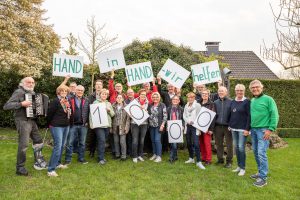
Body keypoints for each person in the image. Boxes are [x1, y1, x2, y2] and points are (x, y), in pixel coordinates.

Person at [3, 77, 47, 176]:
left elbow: (35, 107)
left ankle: (38, 161)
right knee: (24, 145)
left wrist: (40, 112)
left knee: (38, 141)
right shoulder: (19, 92)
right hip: (22, 121)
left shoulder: (32, 93)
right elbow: (7, 105)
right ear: (23, 83)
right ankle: (20, 168)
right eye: (28, 82)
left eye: (32, 82)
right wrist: (21, 103)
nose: (31, 84)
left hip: (31, 121)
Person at [249, 80, 279, 187]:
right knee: (256, 152)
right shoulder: (252, 100)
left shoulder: (268, 99)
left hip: (263, 130)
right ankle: (259, 172)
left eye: (257, 87)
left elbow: (274, 115)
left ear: (262, 88)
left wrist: (270, 129)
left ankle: (263, 178)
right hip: (253, 130)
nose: (255, 89)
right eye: (253, 88)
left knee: (261, 153)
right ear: (250, 90)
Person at [47, 84, 72, 177]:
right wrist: (50, 124)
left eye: (66, 91)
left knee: (62, 145)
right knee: (58, 146)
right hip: (56, 126)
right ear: (59, 92)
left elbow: (68, 114)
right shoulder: (55, 101)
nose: (64, 93)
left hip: (66, 126)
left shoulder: (66, 101)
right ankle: (50, 169)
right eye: (62, 91)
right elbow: (49, 114)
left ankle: (57, 163)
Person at [229, 84, 251, 176]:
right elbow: (231, 114)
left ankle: (243, 168)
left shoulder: (247, 101)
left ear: (244, 91)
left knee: (241, 148)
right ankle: (238, 166)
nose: (239, 92)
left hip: (243, 129)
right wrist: (230, 125)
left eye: (241, 90)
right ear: (235, 91)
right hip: (234, 128)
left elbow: (250, 116)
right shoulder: (233, 101)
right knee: (236, 147)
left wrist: (247, 129)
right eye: (237, 90)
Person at [65, 85, 90, 165]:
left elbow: (89, 112)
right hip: (72, 124)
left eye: (81, 90)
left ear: (83, 91)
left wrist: (87, 122)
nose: (80, 92)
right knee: (70, 143)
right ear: (75, 90)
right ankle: (68, 159)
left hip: (83, 125)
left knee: (82, 143)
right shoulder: (69, 99)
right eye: (78, 90)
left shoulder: (86, 100)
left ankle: (81, 158)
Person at [90, 89, 115, 165]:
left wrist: (109, 111)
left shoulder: (109, 104)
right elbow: (91, 114)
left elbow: (113, 114)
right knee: (101, 140)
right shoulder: (95, 102)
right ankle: (100, 158)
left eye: (105, 94)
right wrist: (92, 124)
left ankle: (101, 156)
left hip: (107, 125)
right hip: (98, 125)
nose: (104, 95)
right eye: (102, 94)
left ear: (107, 96)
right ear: (100, 95)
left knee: (103, 141)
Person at [183, 92, 205, 169]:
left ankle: (199, 161)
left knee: (196, 144)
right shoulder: (186, 105)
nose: (190, 99)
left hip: (195, 127)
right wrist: (188, 121)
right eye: (189, 97)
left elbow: (199, 116)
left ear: (194, 98)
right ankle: (191, 158)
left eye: (192, 97)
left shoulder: (197, 105)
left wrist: (197, 127)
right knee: (188, 143)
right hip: (188, 126)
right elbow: (184, 115)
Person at [214, 86, 233, 168]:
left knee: (229, 145)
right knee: (218, 144)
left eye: (222, 91)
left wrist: (231, 125)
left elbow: (234, 115)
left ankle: (229, 161)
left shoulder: (231, 102)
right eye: (219, 91)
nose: (220, 92)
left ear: (226, 92)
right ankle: (220, 159)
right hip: (217, 126)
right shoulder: (215, 102)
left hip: (228, 127)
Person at [148, 92, 167, 163]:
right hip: (151, 126)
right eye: (153, 97)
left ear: (159, 98)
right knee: (153, 140)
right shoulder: (150, 105)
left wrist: (162, 125)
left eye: (156, 97)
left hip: (159, 126)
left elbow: (165, 116)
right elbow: (147, 114)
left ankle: (159, 156)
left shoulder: (162, 105)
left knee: (157, 140)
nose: (155, 98)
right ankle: (155, 154)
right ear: (152, 98)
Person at [131, 89, 149, 163]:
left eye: (144, 95)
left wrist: (146, 110)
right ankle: (134, 156)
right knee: (135, 140)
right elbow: (131, 112)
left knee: (142, 140)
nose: (143, 96)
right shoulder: (134, 102)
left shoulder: (148, 102)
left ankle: (140, 155)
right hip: (135, 123)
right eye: (142, 94)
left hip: (144, 123)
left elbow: (149, 113)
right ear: (139, 95)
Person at [199, 88, 216, 165]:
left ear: (208, 95)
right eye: (203, 94)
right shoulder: (198, 103)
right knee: (201, 143)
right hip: (199, 126)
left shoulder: (212, 104)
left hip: (207, 127)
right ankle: (203, 157)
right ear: (201, 95)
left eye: (206, 94)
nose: (204, 95)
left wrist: (211, 129)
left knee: (207, 143)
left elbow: (213, 117)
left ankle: (208, 159)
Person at [87, 79, 103, 157]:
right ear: (95, 86)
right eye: (97, 84)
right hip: (93, 118)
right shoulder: (91, 96)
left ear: (102, 86)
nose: (98, 86)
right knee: (92, 136)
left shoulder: (105, 94)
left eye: (100, 84)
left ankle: (100, 152)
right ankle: (92, 151)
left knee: (100, 136)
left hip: (102, 119)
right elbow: (88, 106)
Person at [111, 94, 131, 161]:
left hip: (122, 127)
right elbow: (111, 117)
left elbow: (128, 119)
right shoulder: (113, 106)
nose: (119, 99)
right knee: (116, 141)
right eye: (118, 98)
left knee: (122, 142)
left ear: (123, 99)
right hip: (114, 126)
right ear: (116, 99)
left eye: (120, 98)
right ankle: (117, 154)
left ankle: (123, 156)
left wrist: (126, 127)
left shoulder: (126, 107)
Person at [166, 95, 184, 163]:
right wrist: (167, 126)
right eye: (174, 99)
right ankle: (174, 156)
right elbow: (166, 118)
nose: (175, 101)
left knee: (175, 143)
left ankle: (172, 157)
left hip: (178, 128)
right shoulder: (168, 109)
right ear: (172, 100)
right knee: (173, 143)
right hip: (170, 128)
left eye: (177, 99)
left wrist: (182, 126)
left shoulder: (181, 109)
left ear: (179, 101)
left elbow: (183, 118)